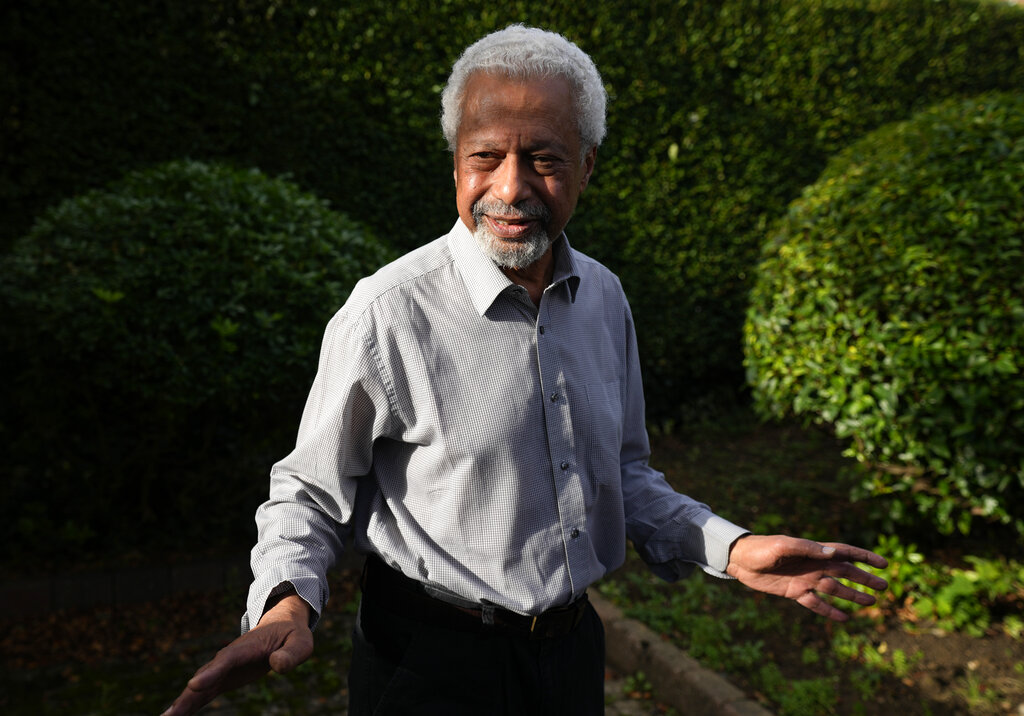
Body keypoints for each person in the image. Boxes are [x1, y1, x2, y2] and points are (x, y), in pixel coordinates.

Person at [164, 24, 887, 716]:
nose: (510, 188)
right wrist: (288, 599)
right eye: (485, 156)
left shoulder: (604, 297)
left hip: (570, 656)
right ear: (455, 163)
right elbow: (310, 492)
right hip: (426, 666)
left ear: (587, 165)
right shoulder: (386, 312)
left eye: (543, 157)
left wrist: (731, 549)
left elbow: (623, 476)